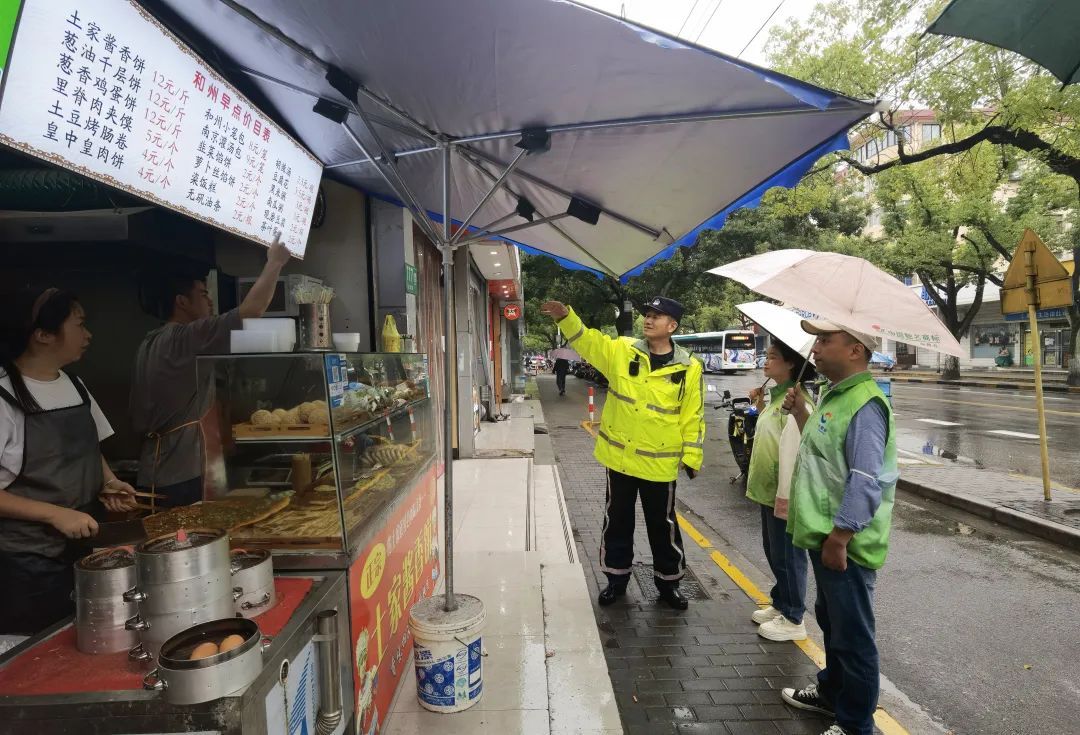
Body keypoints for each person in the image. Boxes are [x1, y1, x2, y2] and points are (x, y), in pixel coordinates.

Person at [541, 296, 705, 610]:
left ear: (672, 326)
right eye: (648, 314)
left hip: (659, 464)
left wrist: (692, 457)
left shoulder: (689, 367)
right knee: (617, 521)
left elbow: (693, 415)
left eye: (657, 316)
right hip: (621, 460)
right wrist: (565, 317)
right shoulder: (623, 350)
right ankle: (616, 580)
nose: (649, 320)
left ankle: (669, 584)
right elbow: (589, 342)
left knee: (663, 526)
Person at [779, 320, 897, 735]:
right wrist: (801, 413)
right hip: (824, 534)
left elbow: (866, 478)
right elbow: (824, 454)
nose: (815, 348)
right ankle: (832, 694)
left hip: (845, 543)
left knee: (853, 637)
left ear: (855, 350)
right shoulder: (835, 395)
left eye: (825, 340)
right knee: (832, 622)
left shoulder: (865, 403)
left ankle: (855, 725)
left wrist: (841, 536)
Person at [0, 287, 138, 635]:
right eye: (79, 324)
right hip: (28, 566)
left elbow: (90, 448)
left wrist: (109, 481)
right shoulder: (4, 396)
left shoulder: (75, 384)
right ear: (43, 335)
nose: (88, 334)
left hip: (86, 549)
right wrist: (56, 514)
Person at [130, 236, 292, 507]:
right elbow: (252, 310)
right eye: (203, 294)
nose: (210, 301)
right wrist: (275, 262)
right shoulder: (185, 338)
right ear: (182, 301)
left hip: (157, 469)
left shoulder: (151, 341)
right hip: (180, 474)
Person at [745, 339, 815, 643]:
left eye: (773, 356)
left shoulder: (797, 403)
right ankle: (781, 602)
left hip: (783, 493)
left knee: (789, 556)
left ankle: (794, 616)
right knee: (774, 551)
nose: (766, 360)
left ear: (790, 364)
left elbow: (799, 448)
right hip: (766, 491)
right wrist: (760, 405)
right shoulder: (776, 399)